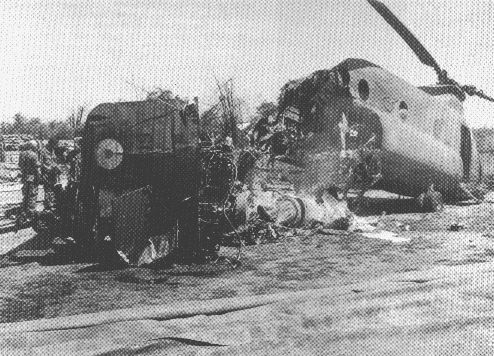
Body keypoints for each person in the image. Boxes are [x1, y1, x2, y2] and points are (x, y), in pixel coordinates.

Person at [18, 140, 40, 219]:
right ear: (33, 146)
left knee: (25, 195)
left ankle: (24, 211)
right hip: (32, 177)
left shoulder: (22, 154)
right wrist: (39, 177)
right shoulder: (34, 155)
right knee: (32, 195)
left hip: (24, 176)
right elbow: (36, 168)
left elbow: (20, 165)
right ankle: (31, 214)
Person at [39, 138, 61, 211]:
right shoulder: (43, 151)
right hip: (47, 174)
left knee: (53, 189)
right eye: (55, 145)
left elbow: (54, 160)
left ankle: (52, 204)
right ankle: (48, 206)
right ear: (51, 144)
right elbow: (40, 163)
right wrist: (48, 168)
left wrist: (57, 167)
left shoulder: (53, 151)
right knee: (48, 189)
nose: (56, 146)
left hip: (53, 173)